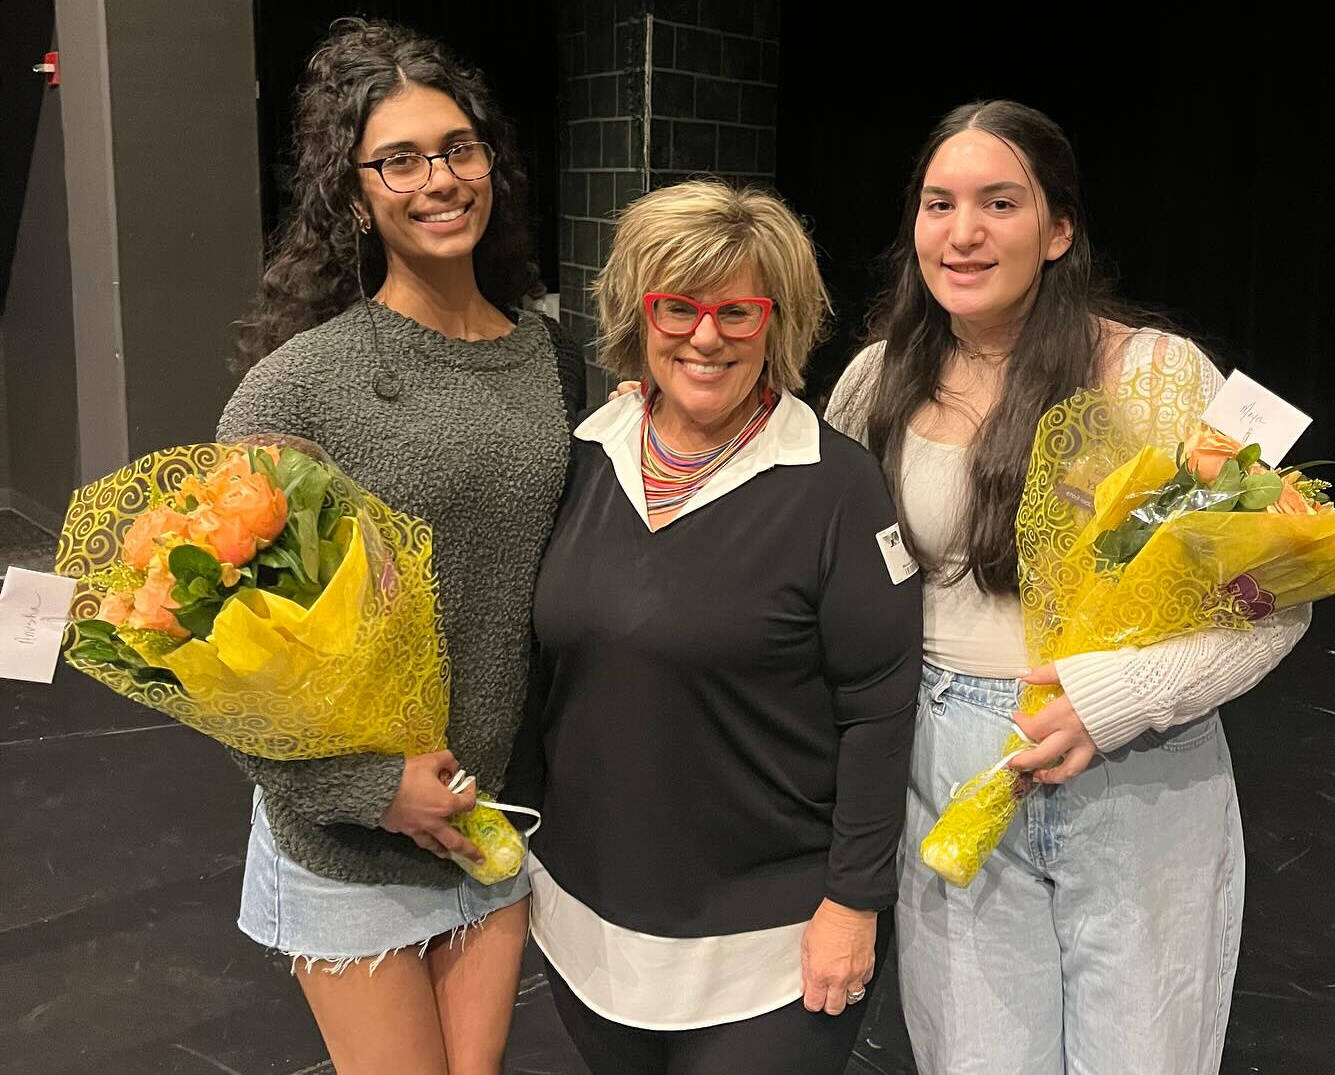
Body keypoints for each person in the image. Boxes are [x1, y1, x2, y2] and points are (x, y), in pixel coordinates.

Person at [824, 100, 1311, 1075]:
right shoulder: (874, 382)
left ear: (1058, 230)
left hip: (1141, 775)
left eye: (998, 203)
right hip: (943, 766)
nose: (962, 232)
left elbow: (1281, 594)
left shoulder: (1160, 377)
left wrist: (1114, 699)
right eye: (938, 203)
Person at [215, 19, 583, 1074]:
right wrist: (370, 789)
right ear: (353, 191)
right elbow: (217, 651)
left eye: (460, 148)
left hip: (488, 817)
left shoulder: (551, 364)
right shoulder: (295, 389)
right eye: (401, 159)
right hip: (347, 836)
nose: (441, 179)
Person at [513, 179, 923, 1074]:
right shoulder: (585, 451)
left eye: (738, 310)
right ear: (640, 315)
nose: (706, 336)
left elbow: (879, 709)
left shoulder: (834, 485)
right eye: (679, 307)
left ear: (778, 323)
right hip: (590, 917)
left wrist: (855, 902)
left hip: (772, 942)